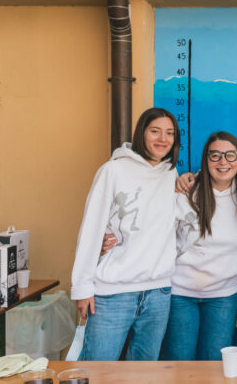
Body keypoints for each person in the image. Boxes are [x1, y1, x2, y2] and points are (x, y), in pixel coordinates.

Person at [70, 107, 180, 361]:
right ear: (141, 133)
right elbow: (91, 229)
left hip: (158, 293)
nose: (163, 139)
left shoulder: (170, 174)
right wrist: (82, 286)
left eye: (170, 133)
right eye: (155, 131)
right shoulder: (113, 170)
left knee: (144, 373)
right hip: (112, 294)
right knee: (98, 369)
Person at [158, 132, 237, 360]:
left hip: (224, 294)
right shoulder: (184, 194)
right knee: (180, 361)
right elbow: (157, 236)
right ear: (205, 160)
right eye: (215, 156)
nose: (223, 162)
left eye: (231, 155)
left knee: (213, 363)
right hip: (180, 293)